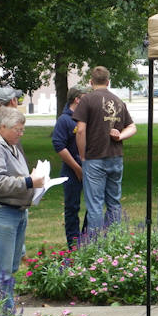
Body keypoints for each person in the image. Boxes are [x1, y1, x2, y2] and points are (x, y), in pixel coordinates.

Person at [0, 107, 44, 309]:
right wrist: (29, 181)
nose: (21, 134)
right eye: (18, 130)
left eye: (23, 129)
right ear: (2, 126)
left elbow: (13, 174)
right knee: (2, 270)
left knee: (10, 266)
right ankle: (0, 315)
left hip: (14, 210)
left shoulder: (9, 143)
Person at [74, 66, 136, 230]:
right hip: (116, 157)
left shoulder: (87, 100)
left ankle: (96, 243)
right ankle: (114, 241)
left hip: (94, 158)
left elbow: (80, 130)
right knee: (114, 203)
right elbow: (132, 127)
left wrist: (82, 156)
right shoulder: (118, 101)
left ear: (91, 82)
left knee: (95, 204)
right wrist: (120, 136)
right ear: (108, 82)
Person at [51, 85, 88, 248]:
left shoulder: (86, 118)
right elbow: (59, 145)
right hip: (71, 171)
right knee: (72, 207)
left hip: (90, 169)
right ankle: (73, 245)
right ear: (77, 99)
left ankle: (87, 240)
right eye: (86, 97)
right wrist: (77, 168)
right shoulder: (64, 120)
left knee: (93, 206)